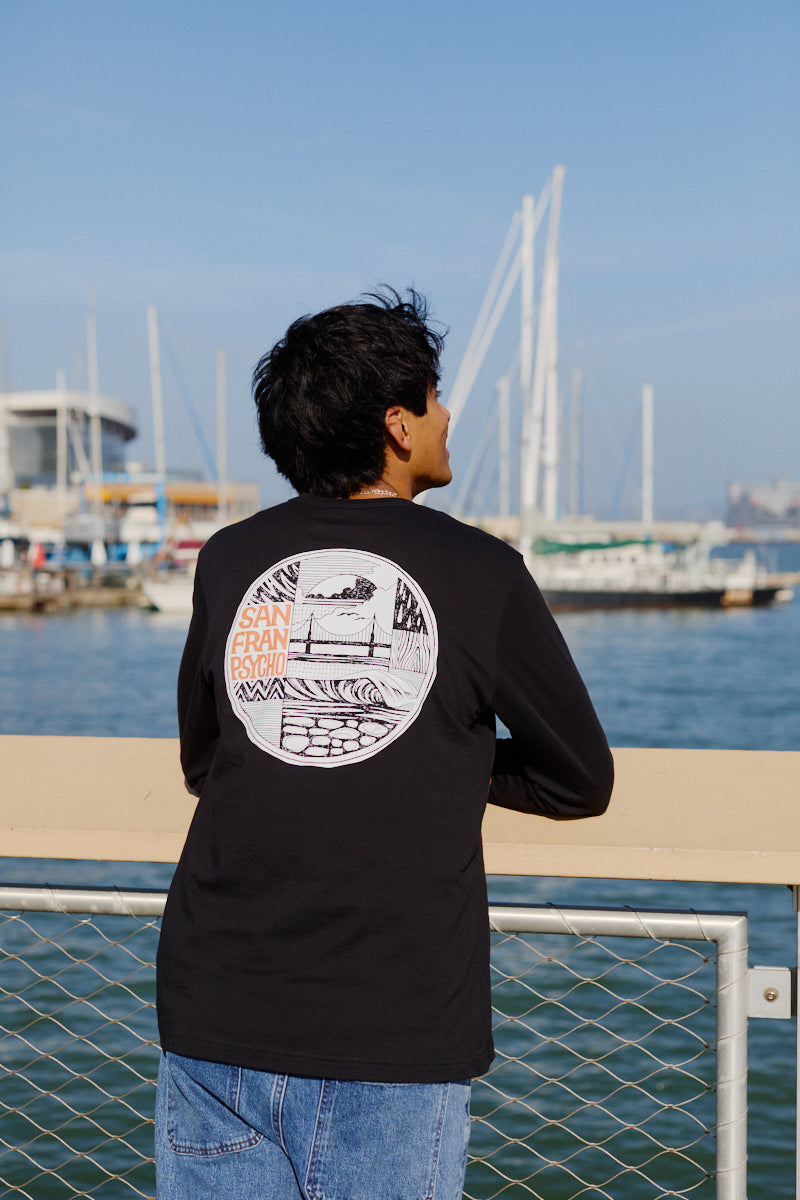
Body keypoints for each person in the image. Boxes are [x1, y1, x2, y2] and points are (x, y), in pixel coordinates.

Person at [155, 288, 613, 1199]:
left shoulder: (231, 559)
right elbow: (578, 778)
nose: (450, 418)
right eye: (437, 399)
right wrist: (439, 753)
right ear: (400, 426)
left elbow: (208, 759)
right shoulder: (481, 572)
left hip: (213, 1014)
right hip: (390, 1033)